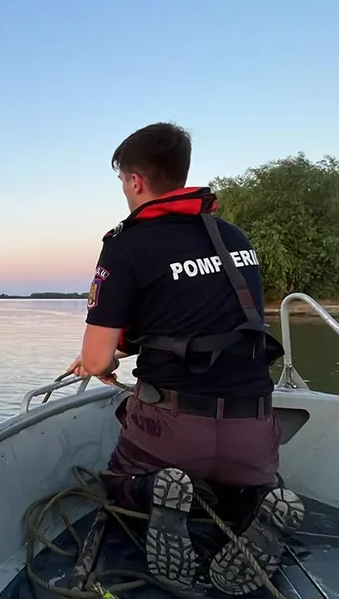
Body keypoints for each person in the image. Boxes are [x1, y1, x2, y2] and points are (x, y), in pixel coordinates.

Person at [67, 123, 304, 595]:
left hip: (172, 434)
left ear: (135, 180)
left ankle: (157, 489)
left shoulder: (125, 244)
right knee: (235, 485)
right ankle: (261, 499)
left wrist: (102, 359)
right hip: (252, 430)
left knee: (120, 478)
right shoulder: (234, 238)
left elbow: (95, 362)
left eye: (121, 182)